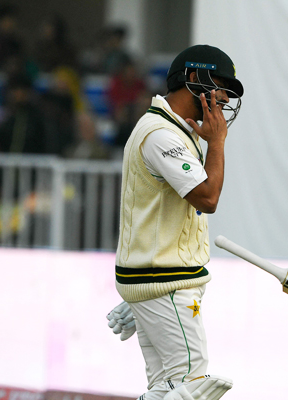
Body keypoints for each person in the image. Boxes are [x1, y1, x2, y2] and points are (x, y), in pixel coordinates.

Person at [105, 44, 244, 400]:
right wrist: (218, 143)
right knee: (192, 389)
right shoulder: (161, 134)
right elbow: (207, 198)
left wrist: (144, 304)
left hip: (156, 282)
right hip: (165, 281)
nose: (226, 97)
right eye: (221, 85)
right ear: (194, 78)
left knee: (164, 390)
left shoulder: (176, 131)